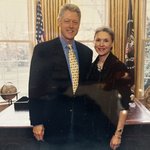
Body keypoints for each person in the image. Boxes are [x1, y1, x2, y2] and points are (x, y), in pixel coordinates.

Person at [28, 3, 93, 150]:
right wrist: (37, 121)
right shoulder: (42, 50)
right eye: (67, 21)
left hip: (80, 128)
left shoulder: (86, 53)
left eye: (75, 22)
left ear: (79, 25)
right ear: (59, 22)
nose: (71, 26)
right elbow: (35, 87)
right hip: (52, 127)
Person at [86, 27, 132, 150]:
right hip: (91, 131)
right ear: (94, 42)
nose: (101, 44)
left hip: (109, 131)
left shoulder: (120, 68)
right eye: (98, 40)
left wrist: (118, 135)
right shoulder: (91, 68)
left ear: (112, 43)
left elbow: (124, 105)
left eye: (106, 41)